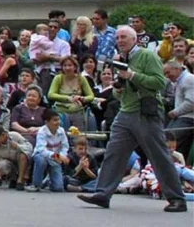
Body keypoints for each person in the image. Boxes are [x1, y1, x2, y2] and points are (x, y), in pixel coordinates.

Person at [78, 26, 187, 213]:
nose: (120, 40)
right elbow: (119, 92)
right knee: (114, 153)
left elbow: (160, 83)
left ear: (134, 39)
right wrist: (117, 90)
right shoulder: (119, 59)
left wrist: (132, 75)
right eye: (118, 37)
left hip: (146, 113)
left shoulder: (147, 56)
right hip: (126, 111)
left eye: (124, 37)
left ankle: (177, 198)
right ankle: (103, 193)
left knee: (159, 156)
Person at [47, 55, 94, 130]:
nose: (67, 68)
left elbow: (91, 96)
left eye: (70, 65)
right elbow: (51, 94)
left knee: (77, 134)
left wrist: (82, 98)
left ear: (75, 67)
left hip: (77, 110)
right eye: (65, 65)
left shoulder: (81, 78)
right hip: (61, 111)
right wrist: (68, 98)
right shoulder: (58, 78)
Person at [27, 110, 68, 192]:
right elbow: (42, 150)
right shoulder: (42, 132)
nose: (58, 122)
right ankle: (36, 184)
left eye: (58, 120)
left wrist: (62, 156)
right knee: (41, 160)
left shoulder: (61, 131)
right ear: (47, 122)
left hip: (55, 159)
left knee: (58, 188)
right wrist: (57, 156)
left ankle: (48, 181)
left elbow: (65, 146)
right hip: (42, 156)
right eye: (55, 120)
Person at [163, 60, 194, 162]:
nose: (167, 76)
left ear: (177, 69)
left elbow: (191, 102)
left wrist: (175, 112)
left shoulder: (188, 79)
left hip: (187, 118)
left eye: (168, 72)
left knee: (167, 141)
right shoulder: (182, 80)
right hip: (182, 117)